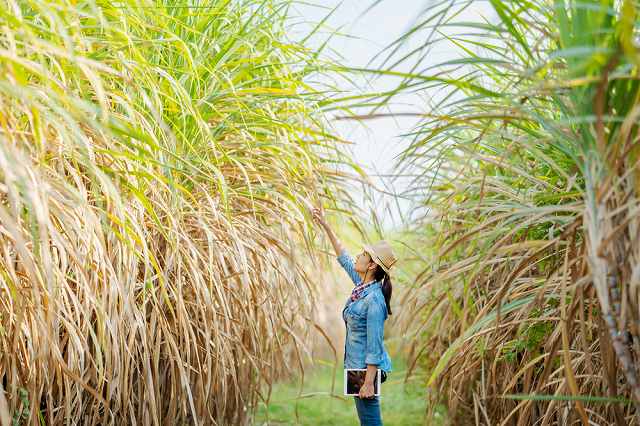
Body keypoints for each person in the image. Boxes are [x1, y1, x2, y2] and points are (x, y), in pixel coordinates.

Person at [312, 205, 396, 426]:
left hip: (365, 371)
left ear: (371, 265)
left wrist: (369, 382)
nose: (358, 255)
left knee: (370, 421)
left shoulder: (374, 300)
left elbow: (375, 345)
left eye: (364, 254)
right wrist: (325, 224)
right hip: (357, 367)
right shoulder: (363, 286)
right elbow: (344, 257)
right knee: (367, 421)